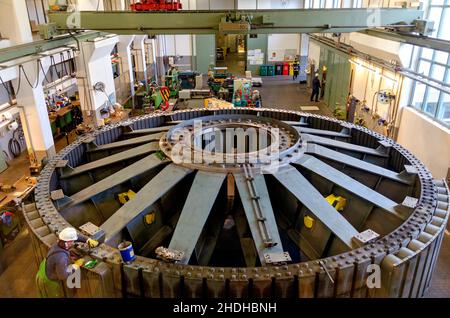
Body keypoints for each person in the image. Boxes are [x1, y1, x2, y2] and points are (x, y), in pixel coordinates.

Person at [35, 227, 99, 298]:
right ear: (67, 242)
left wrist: (87, 240)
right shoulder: (61, 257)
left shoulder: (59, 243)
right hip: (47, 281)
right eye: (72, 241)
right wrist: (76, 265)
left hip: (43, 270)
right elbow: (63, 276)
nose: (73, 243)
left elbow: (76, 237)